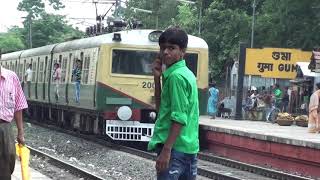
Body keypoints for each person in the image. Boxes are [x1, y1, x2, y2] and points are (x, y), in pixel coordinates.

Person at [148, 27, 199, 180]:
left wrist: (166, 150)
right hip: (189, 149)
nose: (165, 52)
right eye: (163, 48)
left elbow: (179, 117)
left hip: (175, 149)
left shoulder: (176, 77)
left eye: (172, 48)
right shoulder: (187, 74)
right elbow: (162, 110)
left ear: (183, 51)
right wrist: (157, 78)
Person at [0, 64, 28, 179]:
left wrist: (20, 132)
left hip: (5, 127)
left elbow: (18, 106)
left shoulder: (11, 77)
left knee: (8, 162)